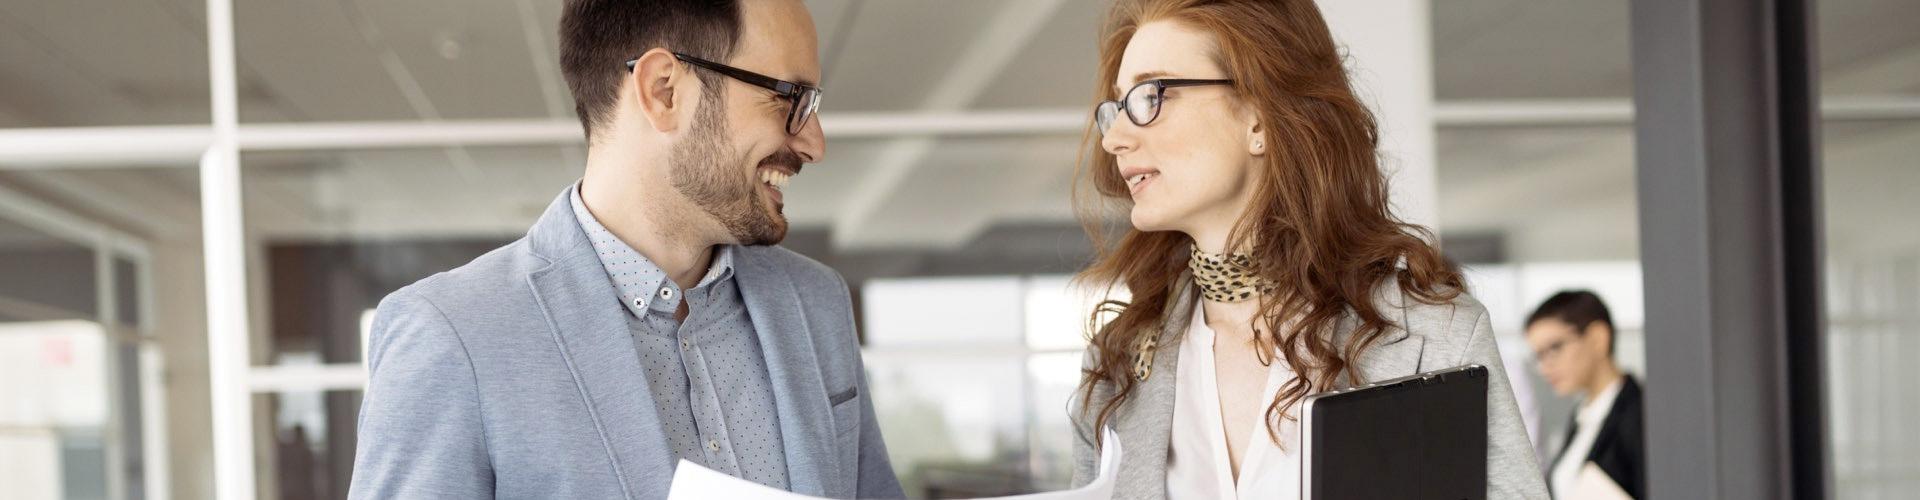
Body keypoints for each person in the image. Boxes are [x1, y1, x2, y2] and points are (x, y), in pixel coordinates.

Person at [347, 1, 901, 498]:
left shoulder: (816, 302)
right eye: (790, 98)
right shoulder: (451, 334)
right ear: (664, 89)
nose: (814, 141)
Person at [1065, 0, 1548, 498]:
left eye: (1150, 96)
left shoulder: (1441, 337)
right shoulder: (1114, 364)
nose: (1115, 139)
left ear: (1258, 117)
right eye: (1116, 109)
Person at [1526, 291, 1643, 498]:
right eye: (1539, 356)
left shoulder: (1640, 413)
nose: (1545, 368)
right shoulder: (1581, 416)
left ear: (1598, 338)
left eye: (1554, 348)